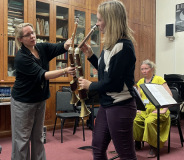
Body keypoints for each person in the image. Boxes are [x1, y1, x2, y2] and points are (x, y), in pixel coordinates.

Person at [78, 1, 137, 159]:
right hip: (107, 105)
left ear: (111, 20)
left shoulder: (124, 46)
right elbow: (107, 72)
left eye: (99, 20)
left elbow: (114, 83)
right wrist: (91, 56)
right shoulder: (110, 45)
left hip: (121, 106)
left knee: (126, 155)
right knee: (97, 148)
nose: (96, 24)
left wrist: (90, 85)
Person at [11, 23, 75, 160]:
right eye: (28, 35)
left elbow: (59, 47)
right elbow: (43, 75)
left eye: (33, 32)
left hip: (40, 100)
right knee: (22, 140)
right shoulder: (21, 57)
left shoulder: (41, 47)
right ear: (20, 39)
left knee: (38, 137)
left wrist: (67, 44)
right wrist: (64, 70)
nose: (32, 36)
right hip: (23, 102)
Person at [133, 59, 171, 158]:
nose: (144, 71)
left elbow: (169, 96)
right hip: (145, 110)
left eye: (146, 68)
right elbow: (139, 98)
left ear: (152, 69)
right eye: (142, 69)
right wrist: (138, 109)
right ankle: (137, 141)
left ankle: (154, 146)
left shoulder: (159, 80)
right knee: (134, 119)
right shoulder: (141, 81)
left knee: (149, 121)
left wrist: (163, 110)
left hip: (158, 108)